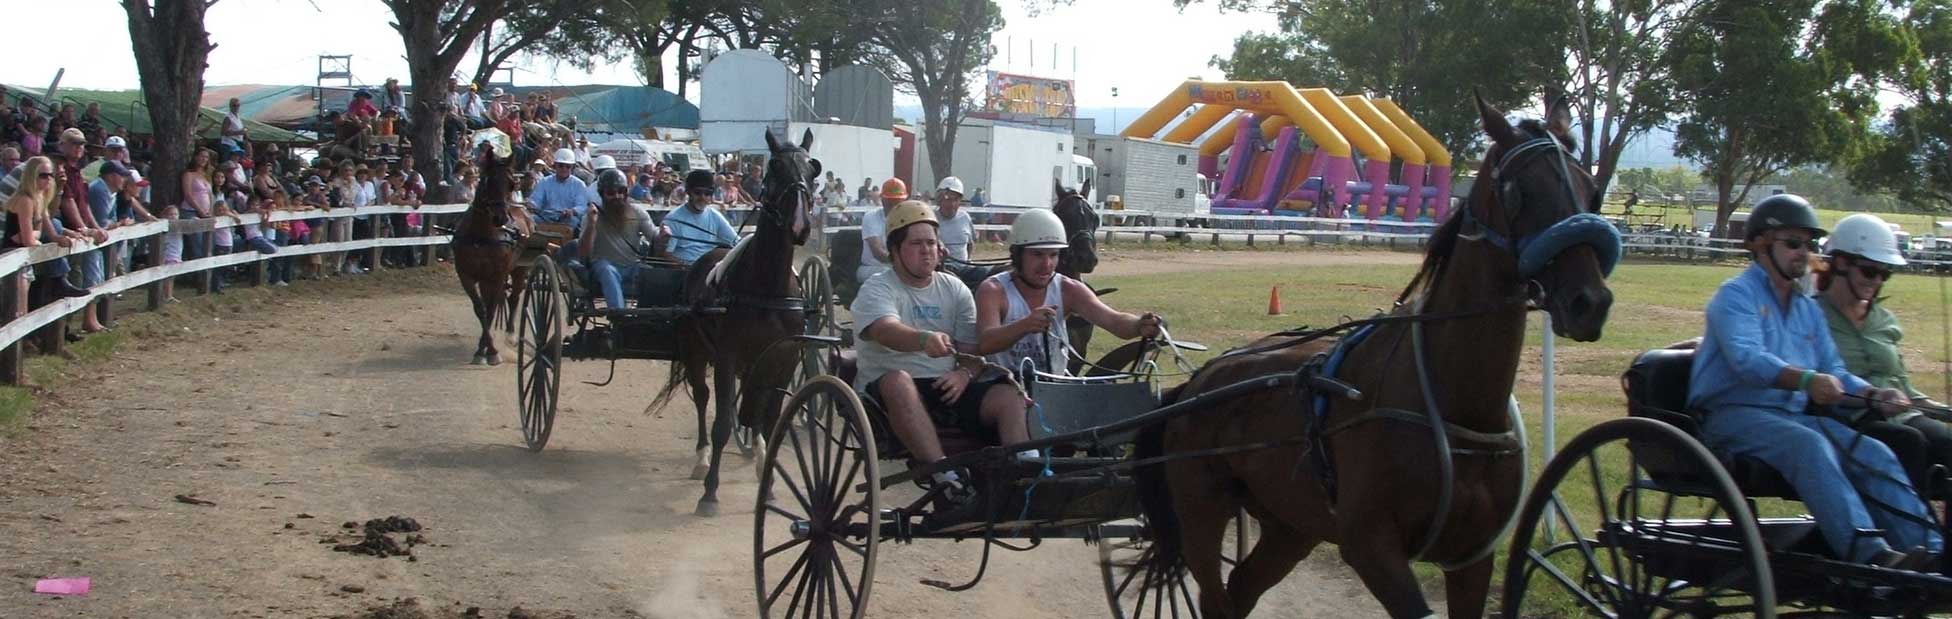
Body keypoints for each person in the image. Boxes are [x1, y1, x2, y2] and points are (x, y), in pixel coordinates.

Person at [1688, 194, 1942, 569]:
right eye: (1792, 243)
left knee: (1874, 452)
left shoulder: (1807, 308)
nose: (1803, 253)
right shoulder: (1735, 296)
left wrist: (1874, 394)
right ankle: (1870, 555)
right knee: (1809, 445)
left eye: (1809, 245)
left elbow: (1834, 372)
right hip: (1734, 415)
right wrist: (1807, 380)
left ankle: (1931, 552)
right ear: (1760, 245)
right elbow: (1748, 361)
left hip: (1789, 419)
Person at [851, 200, 1032, 522]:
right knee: (898, 380)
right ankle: (947, 482)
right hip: (886, 394)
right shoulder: (877, 288)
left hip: (948, 388)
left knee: (1009, 395)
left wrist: (964, 374)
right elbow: (885, 330)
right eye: (916, 244)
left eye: (932, 243)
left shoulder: (956, 289)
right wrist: (922, 339)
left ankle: (1025, 478)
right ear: (895, 249)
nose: (927, 251)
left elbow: (972, 351)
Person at [1818, 213, 1952, 489]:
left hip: (1903, 415)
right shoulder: (1810, 315)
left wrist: (1941, 409)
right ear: (1841, 262)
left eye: (1885, 273)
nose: (1877, 280)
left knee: (1945, 441)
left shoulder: (1885, 320)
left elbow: (1904, 387)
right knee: (1907, 442)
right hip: (1847, 419)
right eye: (1870, 271)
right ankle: (1911, 527)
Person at [975, 208, 1161, 376]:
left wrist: (1139, 325)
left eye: (1053, 255)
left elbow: (1114, 320)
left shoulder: (1068, 289)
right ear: (1018, 255)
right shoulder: (993, 290)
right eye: (1038, 254)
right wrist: (1025, 324)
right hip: (1002, 385)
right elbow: (986, 342)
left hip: (1053, 387)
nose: (1047, 265)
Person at [577, 169, 659, 311]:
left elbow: (654, 237)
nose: (617, 196)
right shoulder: (591, 216)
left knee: (653, 274)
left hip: (632, 265)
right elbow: (584, 252)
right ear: (602, 194)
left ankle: (649, 316)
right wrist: (591, 224)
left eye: (621, 191)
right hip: (604, 265)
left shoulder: (638, 212)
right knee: (607, 270)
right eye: (611, 193)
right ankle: (619, 316)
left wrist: (664, 235)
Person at [657, 170, 738, 265]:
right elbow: (667, 255)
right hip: (684, 271)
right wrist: (691, 270)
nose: (703, 197)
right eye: (698, 192)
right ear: (688, 192)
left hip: (710, 268)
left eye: (707, 193)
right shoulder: (673, 219)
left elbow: (736, 241)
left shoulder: (715, 215)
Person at [857, 178, 908, 284]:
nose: (894, 205)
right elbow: (877, 252)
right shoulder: (871, 217)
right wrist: (902, 262)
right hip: (871, 267)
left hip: (899, 267)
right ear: (883, 200)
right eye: (891, 201)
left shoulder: (908, 219)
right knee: (891, 275)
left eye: (897, 202)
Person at [530, 148, 589, 231]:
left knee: (575, 222)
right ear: (555, 165)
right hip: (545, 218)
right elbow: (536, 200)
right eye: (561, 165)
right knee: (530, 219)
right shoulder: (544, 182)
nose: (564, 169)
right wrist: (532, 205)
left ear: (572, 168)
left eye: (568, 166)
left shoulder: (579, 184)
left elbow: (582, 206)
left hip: (566, 219)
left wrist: (572, 211)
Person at [933, 176, 975, 262]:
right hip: (942, 267)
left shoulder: (965, 217)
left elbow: (970, 243)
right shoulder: (932, 218)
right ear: (939, 199)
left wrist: (969, 259)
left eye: (955, 200)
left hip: (963, 266)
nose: (951, 204)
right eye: (947, 199)